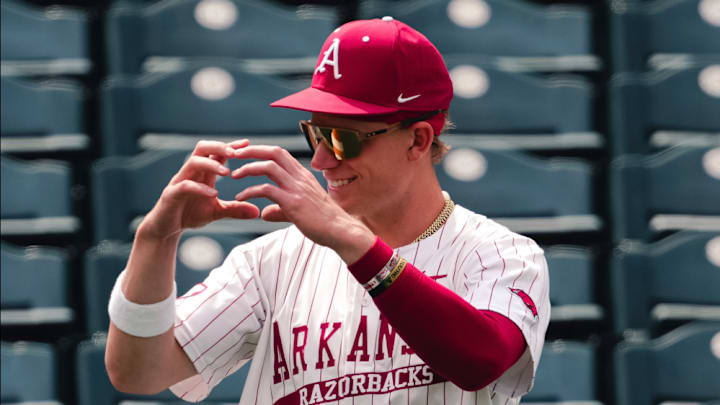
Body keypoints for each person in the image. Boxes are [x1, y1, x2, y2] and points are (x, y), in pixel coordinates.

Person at [105, 17, 550, 405]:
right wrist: (155, 240)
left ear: (418, 140)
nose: (320, 161)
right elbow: (138, 373)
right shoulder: (268, 262)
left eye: (344, 140)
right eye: (315, 135)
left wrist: (354, 242)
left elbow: (482, 361)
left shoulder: (500, 253)